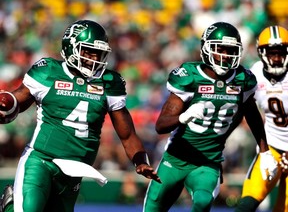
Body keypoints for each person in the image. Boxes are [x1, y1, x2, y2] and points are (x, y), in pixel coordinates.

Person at [0, 19, 161, 212]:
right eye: (88, 51)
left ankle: (9, 206)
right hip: (42, 159)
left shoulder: (110, 83)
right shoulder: (48, 71)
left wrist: (140, 161)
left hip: (75, 167)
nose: (94, 58)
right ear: (71, 48)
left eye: (98, 53)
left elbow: (126, 134)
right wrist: (7, 104)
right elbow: (18, 99)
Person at [142, 21, 278, 212]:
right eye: (220, 49)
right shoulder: (190, 76)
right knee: (152, 208)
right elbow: (161, 125)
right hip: (175, 158)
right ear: (206, 49)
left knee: (203, 201)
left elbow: (252, 114)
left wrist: (264, 152)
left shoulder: (242, 79)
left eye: (230, 50)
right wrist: (183, 116)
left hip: (208, 161)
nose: (225, 56)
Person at [235, 25, 288, 212]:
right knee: (246, 203)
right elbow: (241, 107)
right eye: (271, 53)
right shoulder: (255, 73)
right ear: (261, 53)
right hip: (271, 148)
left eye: (281, 52)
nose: (276, 58)